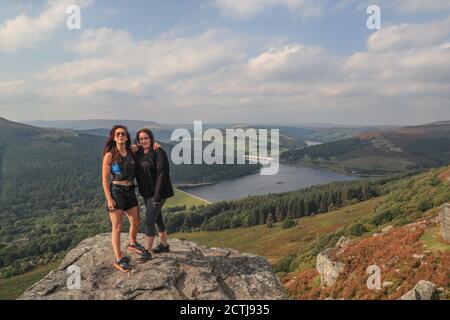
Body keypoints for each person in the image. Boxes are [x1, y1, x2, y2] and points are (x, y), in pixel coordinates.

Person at [101, 125, 146, 272]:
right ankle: (119, 259)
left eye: (123, 134)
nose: (121, 136)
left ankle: (132, 244)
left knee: (136, 221)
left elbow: (146, 145)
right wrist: (109, 198)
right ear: (113, 137)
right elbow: (105, 178)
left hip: (130, 190)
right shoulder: (109, 155)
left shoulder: (132, 151)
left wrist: (156, 146)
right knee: (118, 227)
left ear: (127, 137)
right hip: (116, 191)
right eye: (118, 134)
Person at [134, 128, 174, 262]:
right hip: (146, 193)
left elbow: (163, 175)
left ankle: (147, 252)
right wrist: (134, 146)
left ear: (151, 139)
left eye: (146, 138)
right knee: (157, 219)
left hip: (159, 193)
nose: (144, 141)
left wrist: (157, 197)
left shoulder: (158, 152)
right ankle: (164, 245)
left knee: (149, 221)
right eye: (141, 139)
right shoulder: (138, 153)